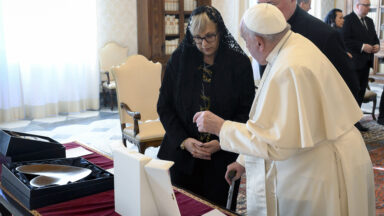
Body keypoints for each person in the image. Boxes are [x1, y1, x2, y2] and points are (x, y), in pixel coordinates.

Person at [193, 3, 375, 216]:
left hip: (318, 171)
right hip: (315, 159)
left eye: (247, 42)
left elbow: (274, 141)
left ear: (260, 43)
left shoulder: (289, 67)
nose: (248, 50)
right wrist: (243, 160)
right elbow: (272, 123)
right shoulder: (289, 46)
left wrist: (221, 127)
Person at [157, 6, 255, 210]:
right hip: (182, 154)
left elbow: (246, 112)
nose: (204, 43)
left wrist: (221, 140)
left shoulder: (239, 64)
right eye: (198, 38)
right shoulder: (179, 60)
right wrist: (184, 141)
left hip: (222, 156)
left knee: (215, 209)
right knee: (178, 208)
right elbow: (164, 106)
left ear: (220, 31)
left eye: (210, 36)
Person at [257, 0, 359, 105]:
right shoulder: (262, 30)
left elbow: (348, 88)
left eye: (272, 4)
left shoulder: (324, 34)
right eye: (260, 5)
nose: (265, 11)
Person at [342, 0, 380, 131]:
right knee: (353, 94)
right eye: (366, 5)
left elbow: (375, 38)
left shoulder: (369, 21)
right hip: (353, 64)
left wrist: (376, 46)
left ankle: (356, 121)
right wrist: (362, 46)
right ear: (357, 6)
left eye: (369, 5)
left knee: (360, 93)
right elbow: (344, 41)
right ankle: (348, 123)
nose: (369, 8)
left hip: (366, 63)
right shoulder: (347, 20)